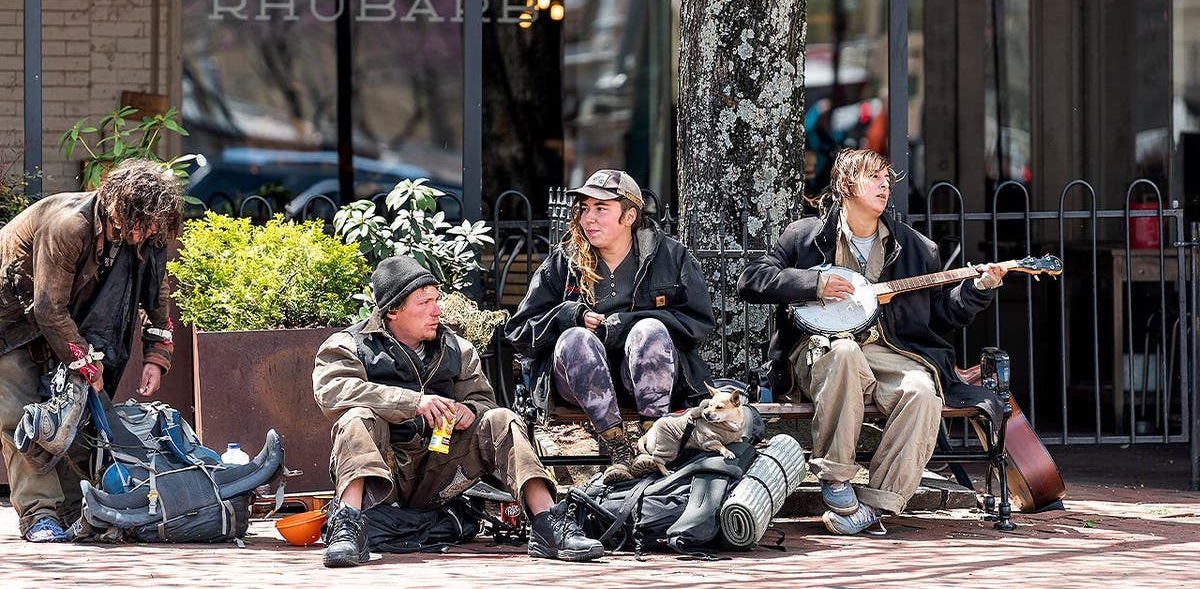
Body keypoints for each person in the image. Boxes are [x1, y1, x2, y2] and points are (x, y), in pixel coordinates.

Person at [737, 149, 1007, 535]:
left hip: (889, 350)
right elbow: (752, 280)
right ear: (847, 184)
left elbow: (943, 316)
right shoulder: (806, 237)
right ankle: (835, 476)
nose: (885, 185)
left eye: (887, 178)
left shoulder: (916, 248)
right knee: (844, 352)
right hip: (820, 347)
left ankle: (877, 504)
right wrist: (815, 283)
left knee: (922, 390)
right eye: (874, 177)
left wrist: (980, 288)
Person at [312, 255, 604, 567]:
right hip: (382, 478)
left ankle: (548, 523)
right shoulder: (349, 345)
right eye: (424, 303)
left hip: (439, 472)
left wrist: (470, 410)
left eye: (436, 300)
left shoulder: (456, 348)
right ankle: (348, 526)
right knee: (356, 418)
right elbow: (331, 391)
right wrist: (412, 402)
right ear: (393, 310)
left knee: (501, 419)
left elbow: (483, 401)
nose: (436, 311)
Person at [0, 159, 181, 542]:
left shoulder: (142, 233)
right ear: (124, 209)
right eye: (146, 223)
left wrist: (156, 355)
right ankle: (39, 515)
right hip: (10, 321)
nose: (152, 232)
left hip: (62, 321)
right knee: (23, 416)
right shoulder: (68, 225)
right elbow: (48, 308)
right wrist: (86, 364)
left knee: (74, 414)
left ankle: (70, 511)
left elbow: (156, 291)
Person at [505, 169, 716, 484]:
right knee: (575, 338)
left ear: (629, 216)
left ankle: (653, 444)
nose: (588, 218)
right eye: (585, 209)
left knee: (649, 330)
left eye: (600, 209)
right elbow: (520, 330)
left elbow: (699, 323)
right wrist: (568, 316)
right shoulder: (565, 261)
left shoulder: (671, 256)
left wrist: (630, 323)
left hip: (646, 380)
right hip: (580, 385)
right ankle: (616, 446)